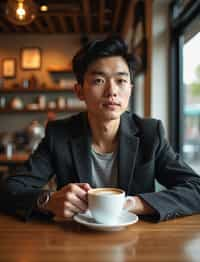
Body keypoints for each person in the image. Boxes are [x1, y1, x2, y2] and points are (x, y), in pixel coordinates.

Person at [1, 36, 200, 222]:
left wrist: (135, 203)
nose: (112, 91)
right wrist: (47, 200)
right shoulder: (59, 134)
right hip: (74, 241)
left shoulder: (150, 133)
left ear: (130, 88)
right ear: (79, 91)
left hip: (137, 244)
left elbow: (196, 189)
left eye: (121, 80)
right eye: (99, 80)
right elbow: (10, 189)